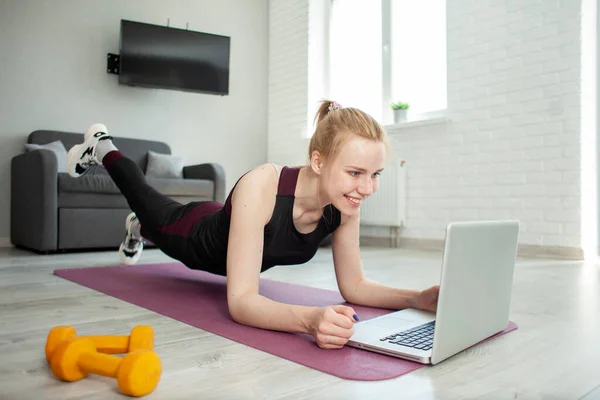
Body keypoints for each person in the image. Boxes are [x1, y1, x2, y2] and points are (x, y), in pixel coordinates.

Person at [66, 100, 439, 350]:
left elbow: (355, 285)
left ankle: (139, 227)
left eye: (375, 174)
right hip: (195, 236)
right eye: (356, 172)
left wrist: (416, 298)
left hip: (232, 225)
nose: (367, 188)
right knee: (145, 198)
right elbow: (242, 301)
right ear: (319, 161)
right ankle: (102, 146)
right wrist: (309, 320)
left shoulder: (344, 204)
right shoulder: (263, 185)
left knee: (149, 212)